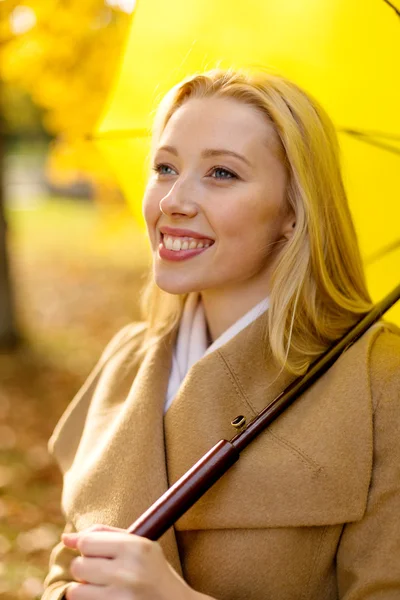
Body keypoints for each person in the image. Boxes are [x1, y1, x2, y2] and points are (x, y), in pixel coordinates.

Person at [42, 68, 400, 600]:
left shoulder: (378, 381)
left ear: (293, 211)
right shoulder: (126, 362)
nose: (173, 201)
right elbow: (62, 574)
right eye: (165, 167)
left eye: (222, 174)